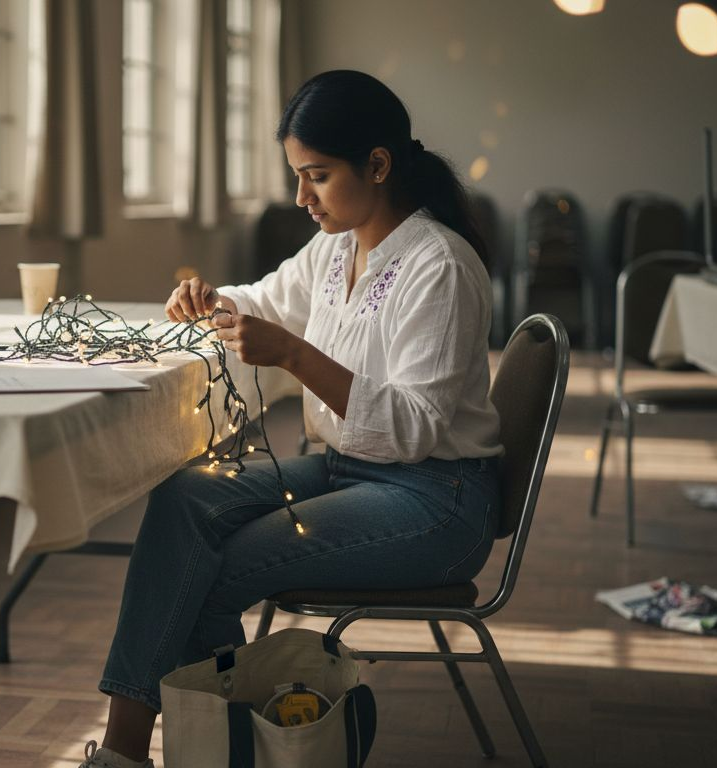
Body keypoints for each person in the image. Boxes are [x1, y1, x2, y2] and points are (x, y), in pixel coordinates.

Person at [79, 69, 502, 768]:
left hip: (438, 500)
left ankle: (222, 752)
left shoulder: (440, 267)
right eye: (297, 177)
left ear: (377, 164)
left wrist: (296, 356)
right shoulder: (340, 245)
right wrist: (210, 299)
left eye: (317, 176)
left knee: (215, 567)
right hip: (352, 471)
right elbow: (267, 301)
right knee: (185, 496)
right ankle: (131, 750)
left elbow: (413, 429)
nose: (301, 197)